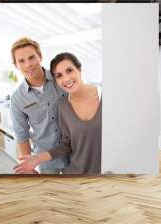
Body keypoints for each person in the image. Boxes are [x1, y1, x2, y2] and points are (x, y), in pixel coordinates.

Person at [14, 52, 102, 174]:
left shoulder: (103, 95)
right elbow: (21, 133)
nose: (66, 79)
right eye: (59, 75)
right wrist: (32, 162)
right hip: (55, 163)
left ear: (80, 69)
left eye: (70, 70)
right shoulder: (63, 105)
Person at [9, 38, 68, 174]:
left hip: (75, 152)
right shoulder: (17, 99)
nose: (28, 64)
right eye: (21, 61)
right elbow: (21, 133)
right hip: (45, 159)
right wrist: (28, 168)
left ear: (40, 57)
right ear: (16, 65)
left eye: (31, 57)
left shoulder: (62, 78)